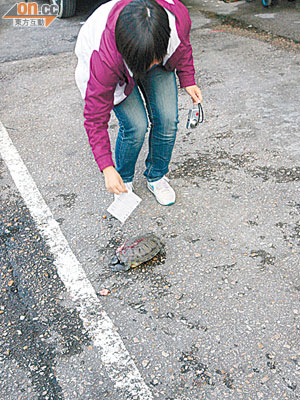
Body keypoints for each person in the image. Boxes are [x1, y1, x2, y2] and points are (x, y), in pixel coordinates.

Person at [75, 0, 202, 206]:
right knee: (136, 126)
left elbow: (183, 46)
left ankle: (156, 176)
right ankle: (123, 179)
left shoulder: (176, 17)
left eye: (154, 59)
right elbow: (95, 119)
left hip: (146, 50)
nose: (149, 67)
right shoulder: (103, 58)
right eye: (146, 63)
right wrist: (107, 168)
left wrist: (188, 80)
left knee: (168, 119)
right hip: (117, 65)